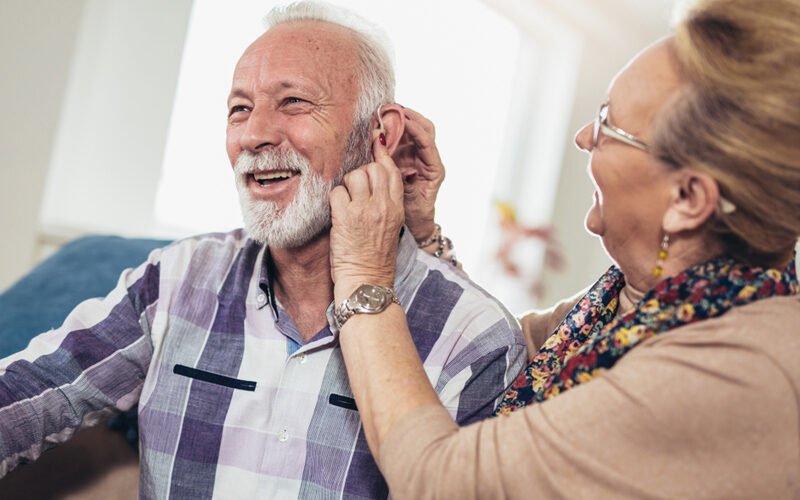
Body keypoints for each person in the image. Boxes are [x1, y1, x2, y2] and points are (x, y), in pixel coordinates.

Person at [0, 2, 526, 498]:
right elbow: (36, 389)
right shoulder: (178, 277)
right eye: (239, 109)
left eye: (294, 102)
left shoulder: (475, 338)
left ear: (380, 134)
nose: (253, 134)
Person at [328, 0, 800, 497]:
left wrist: (363, 276)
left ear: (686, 199)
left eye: (608, 125)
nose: (583, 137)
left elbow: (444, 480)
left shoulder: (734, 373)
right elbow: (493, 355)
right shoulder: (627, 309)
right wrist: (423, 236)